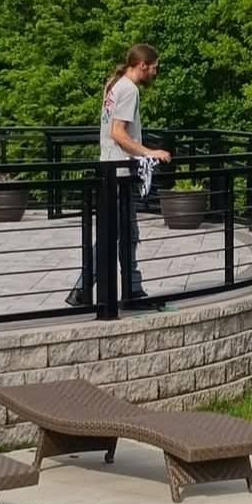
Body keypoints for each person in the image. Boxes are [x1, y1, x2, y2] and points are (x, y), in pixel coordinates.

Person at [66, 44, 171, 308]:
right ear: (142, 65)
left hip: (109, 169)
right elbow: (118, 133)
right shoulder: (129, 90)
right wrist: (150, 152)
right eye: (155, 68)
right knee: (123, 234)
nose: (155, 73)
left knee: (119, 233)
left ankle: (95, 289)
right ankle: (123, 291)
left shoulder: (114, 85)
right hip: (119, 174)